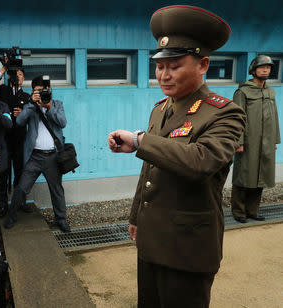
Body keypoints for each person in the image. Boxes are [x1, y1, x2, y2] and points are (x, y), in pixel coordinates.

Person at [107, 5, 246, 307]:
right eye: (159, 66)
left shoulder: (225, 113)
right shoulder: (161, 108)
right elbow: (150, 170)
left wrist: (140, 140)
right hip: (151, 240)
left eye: (174, 65)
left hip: (187, 248)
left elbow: (201, 161)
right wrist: (135, 217)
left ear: (203, 64)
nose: (164, 75)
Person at [4, 75, 70, 233]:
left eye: (43, 91)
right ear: (32, 91)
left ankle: (61, 220)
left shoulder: (57, 104)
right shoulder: (30, 105)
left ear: (49, 90)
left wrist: (48, 107)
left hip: (53, 156)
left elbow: (62, 122)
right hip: (34, 156)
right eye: (37, 91)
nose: (40, 94)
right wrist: (32, 104)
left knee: (57, 190)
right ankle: (11, 216)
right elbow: (19, 122)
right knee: (21, 188)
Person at [231, 55, 280, 223]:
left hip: (266, 142)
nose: (265, 70)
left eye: (268, 67)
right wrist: (239, 141)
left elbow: (274, 116)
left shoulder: (270, 91)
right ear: (253, 70)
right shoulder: (243, 91)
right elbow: (236, 118)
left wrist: (274, 140)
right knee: (243, 176)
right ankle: (238, 212)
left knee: (260, 176)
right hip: (248, 142)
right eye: (261, 67)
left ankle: (253, 210)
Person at [0, 67, 30, 217]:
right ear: (9, 77)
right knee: (3, 172)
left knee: (20, 172)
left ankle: (20, 201)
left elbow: (32, 117)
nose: (18, 77)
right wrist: (3, 68)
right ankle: (2, 204)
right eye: (15, 74)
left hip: (20, 140)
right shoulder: (2, 91)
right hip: (4, 139)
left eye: (21, 74)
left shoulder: (27, 96)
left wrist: (23, 114)